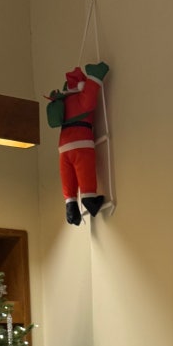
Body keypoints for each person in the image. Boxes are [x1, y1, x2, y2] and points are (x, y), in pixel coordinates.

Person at [57, 62, 109, 225]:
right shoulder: (80, 98)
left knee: (68, 176)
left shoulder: (64, 103)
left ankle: (71, 207)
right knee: (84, 169)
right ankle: (89, 199)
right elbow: (89, 101)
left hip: (63, 147)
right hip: (81, 141)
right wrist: (95, 77)